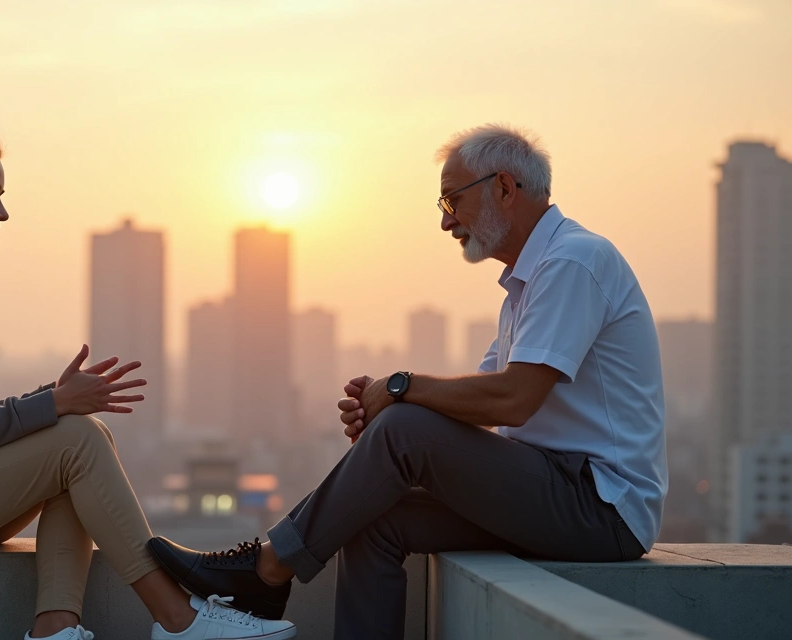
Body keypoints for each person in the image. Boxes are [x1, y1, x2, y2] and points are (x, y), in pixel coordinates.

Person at [148, 124, 667, 639]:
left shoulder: (574, 261)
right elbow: (480, 408)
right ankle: (272, 568)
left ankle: (267, 569)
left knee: (406, 426)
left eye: (451, 202)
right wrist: (384, 414)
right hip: (552, 492)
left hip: (600, 508)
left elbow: (513, 401)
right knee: (372, 515)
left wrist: (399, 392)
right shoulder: (527, 287)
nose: (447, 224)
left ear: (505, 188)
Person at [0, 124, 296, 640]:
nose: (2, 213)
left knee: (83, 437)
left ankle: (56, 629)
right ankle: (178, 619)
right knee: (77, 440)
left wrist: (59, 402)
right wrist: (53, 404)